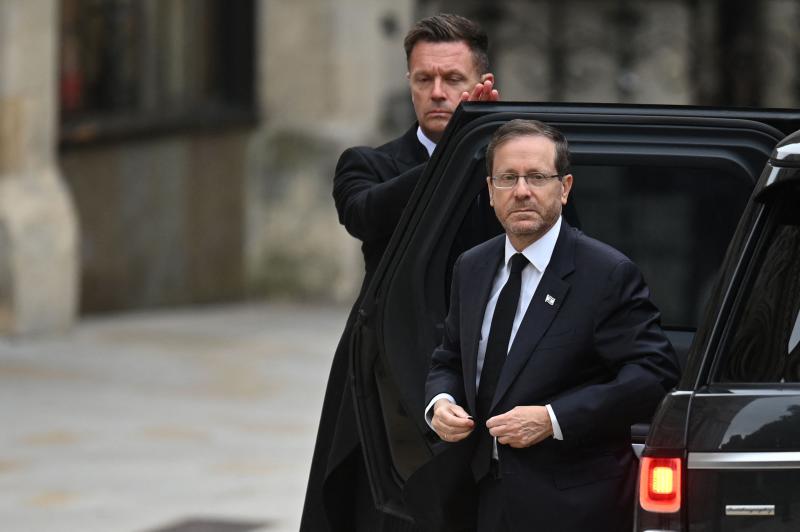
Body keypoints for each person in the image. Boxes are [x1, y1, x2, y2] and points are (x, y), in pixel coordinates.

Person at [424, 119, 681, 532]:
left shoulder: (606, 272)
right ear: (490, 191)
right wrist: (440, 403)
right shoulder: (471, 266)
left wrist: (553, 418)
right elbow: (449, 358)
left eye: (537, 177)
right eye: (508, 178)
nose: (522, 191)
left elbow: (653, 376)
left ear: (564, 188)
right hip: (475, 497)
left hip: (571, 506)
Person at [301, 14, 500, 532]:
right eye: (423, 79)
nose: (437, 92)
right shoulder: (367, 163)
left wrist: (485, 149)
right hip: (388, 366)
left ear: (478, 82)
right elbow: (364, 215)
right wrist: (461, 150)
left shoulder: (512, 169)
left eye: (452, 80)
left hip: (491, 366)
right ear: (409, 82)